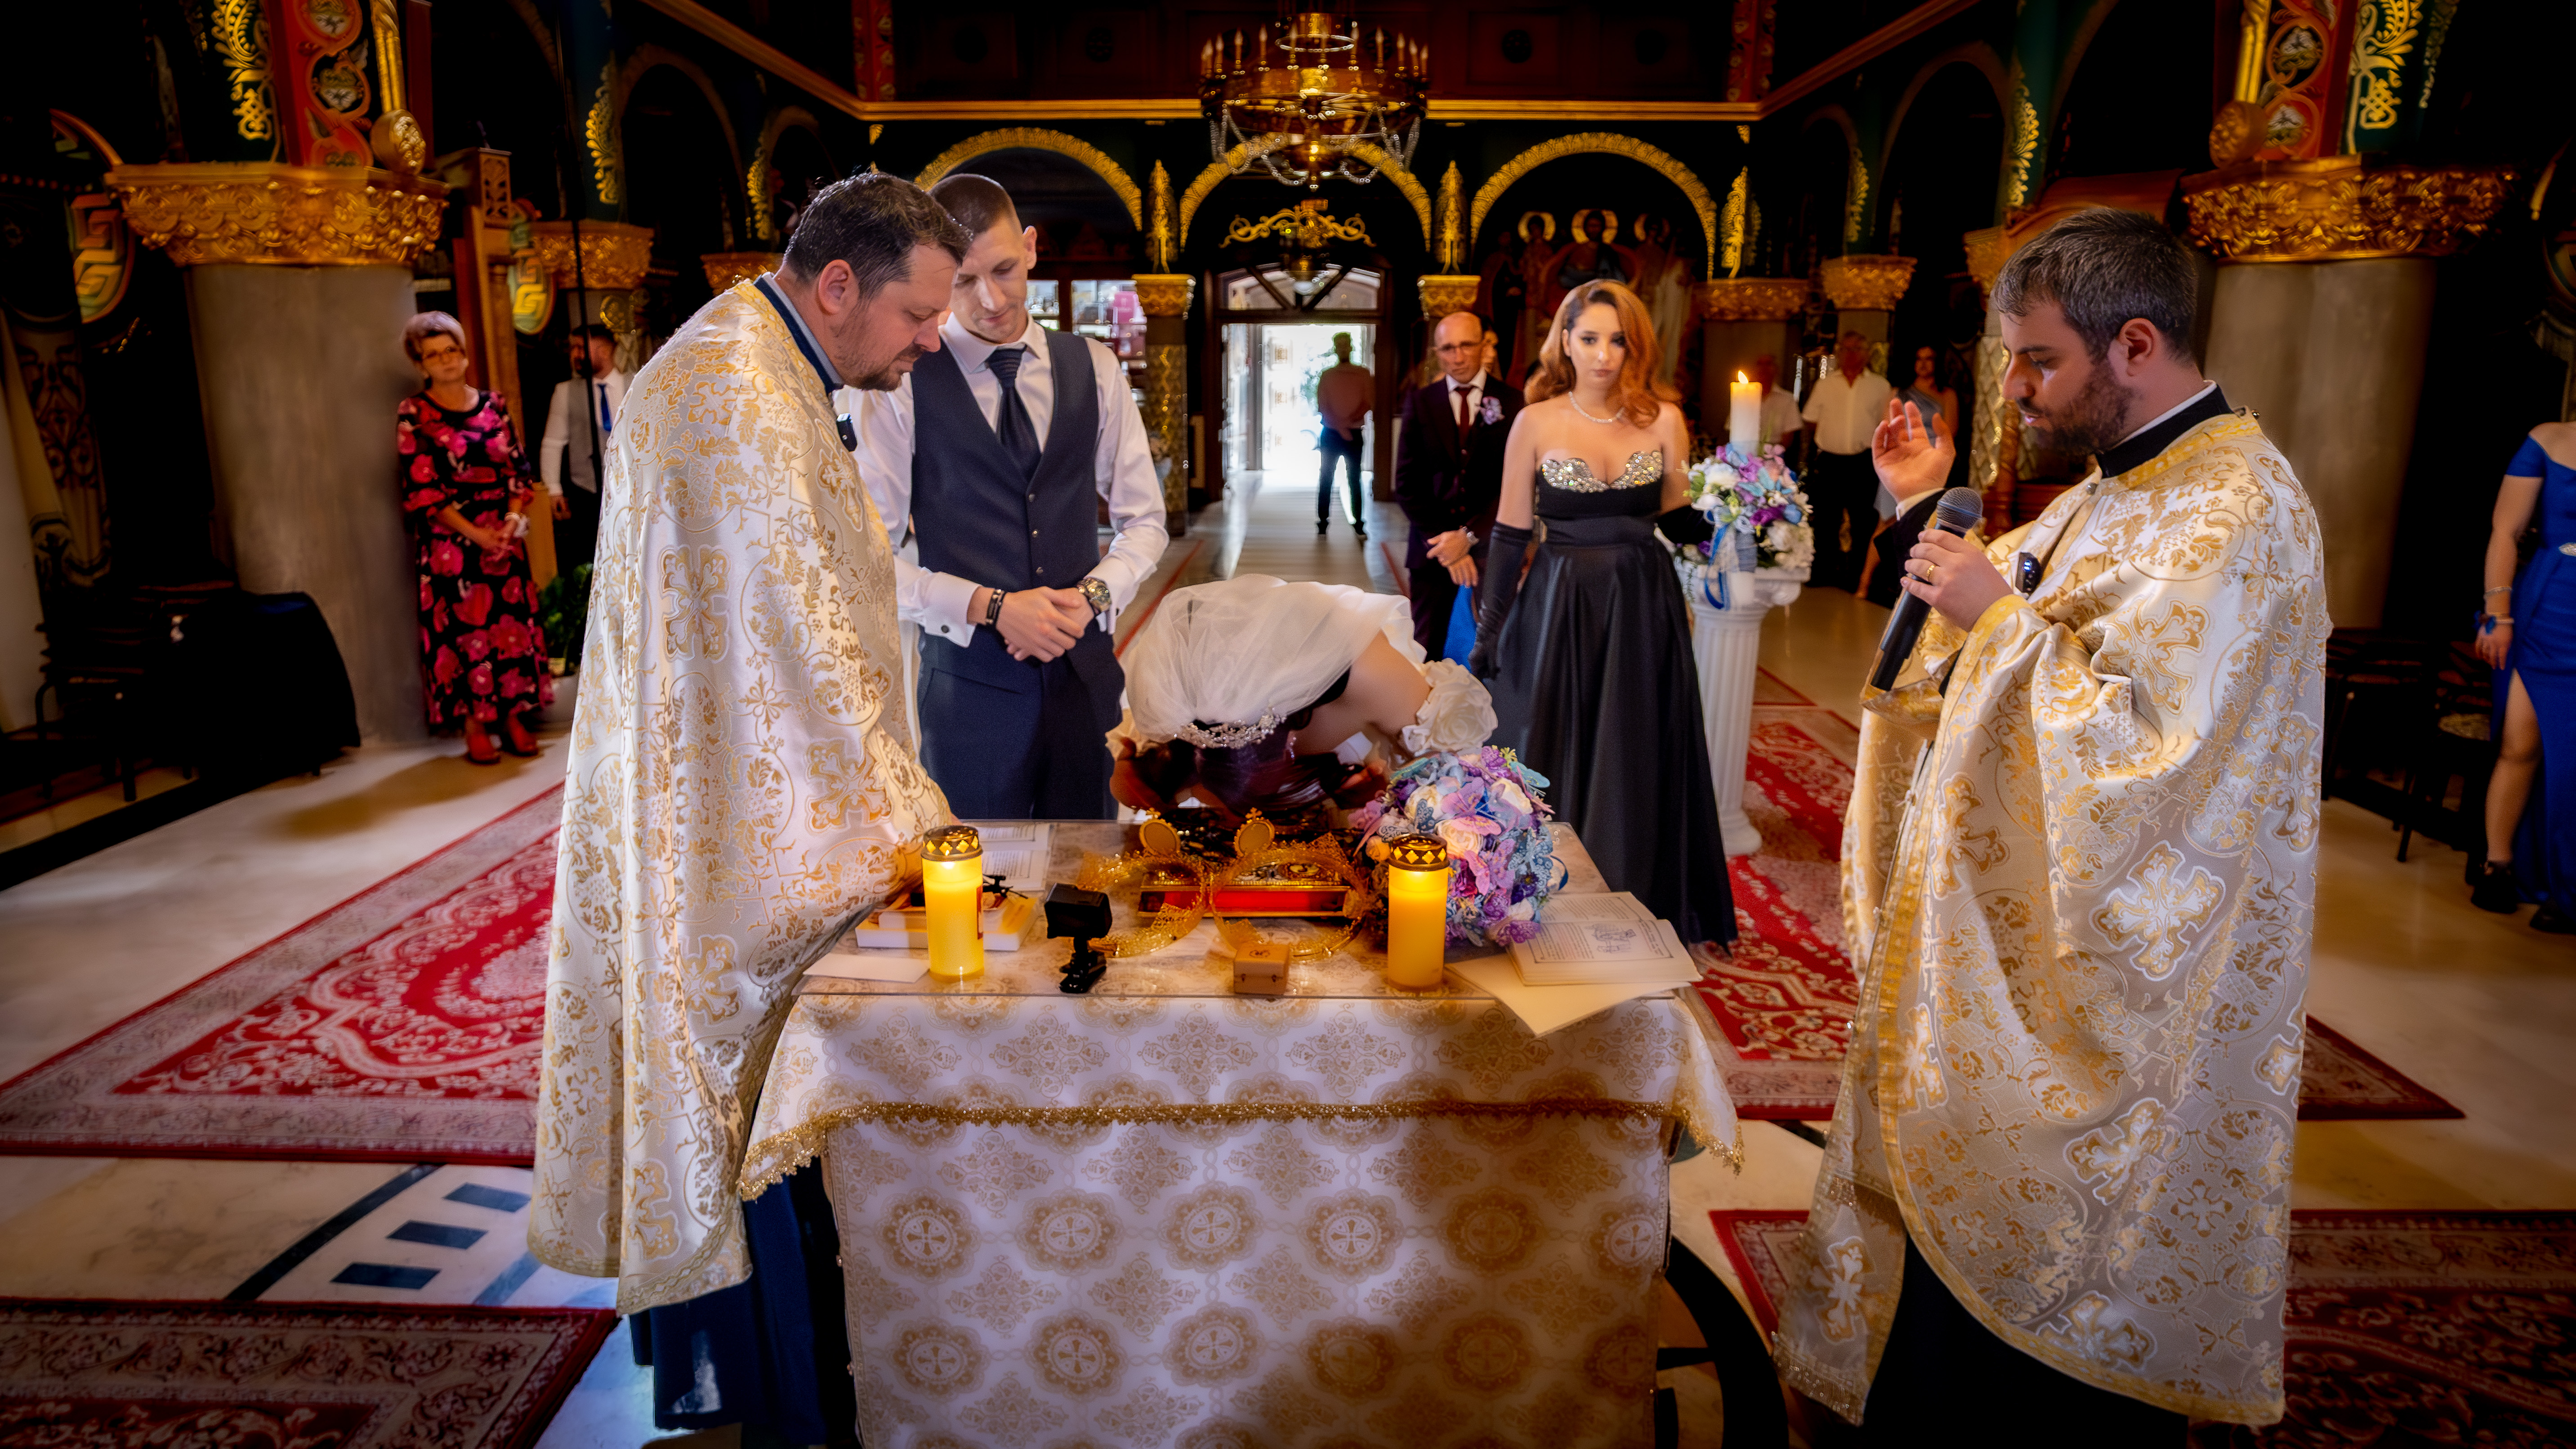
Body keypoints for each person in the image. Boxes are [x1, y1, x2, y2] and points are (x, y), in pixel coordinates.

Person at [1772, 208, 2328, 1441]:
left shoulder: (2236, 510)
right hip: (2008, 971)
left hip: (2113, 998)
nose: (2014, 390)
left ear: (2134, 344)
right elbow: (1992, 607)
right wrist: (1927, 512)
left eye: (2037, 361)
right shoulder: (2109, 491)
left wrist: (1996, 623)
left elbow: (2155, 764)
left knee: (2049, 1333)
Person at [531, 174, 969, 1440]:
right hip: (739, 846)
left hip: (727, 803)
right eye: (917, 315)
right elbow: (802, 656)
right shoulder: (740, 398)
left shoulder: (762, 363)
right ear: (837, 285)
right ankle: (787, 1395)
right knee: (764, 1120)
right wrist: (918, 826)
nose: (931, 341)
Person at [852, 173, 1167, 819]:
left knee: (1088, 866)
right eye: (962, 281)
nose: (990, 300)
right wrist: (990, 607)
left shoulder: (1095, 367)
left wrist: (1092, 597)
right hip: (969, 693)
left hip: (1083, 680)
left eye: (1002, 270)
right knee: (977, 869)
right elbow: (866, 557)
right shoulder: (901, 383)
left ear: (1029, 246)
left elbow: (1145, 522)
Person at [1469, 280, 1737, 948]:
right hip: (1560, 602)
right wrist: (1489, 628)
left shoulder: (1664, 419)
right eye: (1589, 338)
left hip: (1643, 604)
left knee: (1637, 746)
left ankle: (1641, 898)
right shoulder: (1535, 421)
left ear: (1634, 347)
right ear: (1565, 341)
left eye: (1617, 341)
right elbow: (1510, 533)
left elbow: (1677, 521)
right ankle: (1545, 904)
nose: (1603, 355)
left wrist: (1743, 513)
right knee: (1554, 741)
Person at [1109, 574, 1496, 825]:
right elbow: (1151, 766)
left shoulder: (1374, 677)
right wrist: (1138, 779)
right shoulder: (1181, 685)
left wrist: (1382, 800)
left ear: (1288, 728)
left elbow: (1456, 795)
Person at [396, 312, 550, 765]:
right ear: (421, 365)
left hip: (503, 539)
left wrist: (512, 521)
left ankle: (514, 717)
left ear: (464, 356)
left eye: (452, 350)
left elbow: (518, 469)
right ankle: (474, 724)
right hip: (453, 545)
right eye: (434, 355)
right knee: (465, 636)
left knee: (511, 631)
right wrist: (476, 534)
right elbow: (421, 487)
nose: (446, 360)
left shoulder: (494, 405)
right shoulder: (414, 413)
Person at [2471, 422, 2576, 931]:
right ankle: (2498, 863)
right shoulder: (2547, 439)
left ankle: (2568, 887)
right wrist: (2498, 615)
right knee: (2520, 744)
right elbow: (2504, 532)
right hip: (2548, 605)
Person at [1394, 311, 1524, 661]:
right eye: (1448, 348)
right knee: (1426, 649)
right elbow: (1406, 484)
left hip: (1491, 546)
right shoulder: (1421, 402)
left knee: (1494, 648)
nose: (1458, 357)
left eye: (1466, 345)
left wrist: (1468, 537)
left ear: (1484, 346)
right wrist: (1447, 543)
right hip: (1432, 547)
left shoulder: (1514, 403)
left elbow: (1514, 485)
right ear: (1437, 352)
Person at [1801, 330, 1895, 591]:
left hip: (1863, 463)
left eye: (1857, 349)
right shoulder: (1825, 384)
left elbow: (1886, 423)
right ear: (1839, 353)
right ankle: (1823, 573)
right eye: (1846, 349)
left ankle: (1857, 580)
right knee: (1825, 520)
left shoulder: (1880, 385)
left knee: (1863, 522)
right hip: (1830, 462)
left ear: (1867, 354)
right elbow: (1810, 420)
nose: (1851, 354)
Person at [539, 322, 625, 573]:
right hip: (586, 493)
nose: (575, 355)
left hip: (630, 488)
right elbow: (553, 443)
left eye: (581, 348)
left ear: (605, 351)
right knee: (591, 561)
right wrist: (554, 489)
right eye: (573, 348)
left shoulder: (635, 383)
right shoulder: (565, 391)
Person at [1315, 331, 1373, 536]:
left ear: (1351, 346)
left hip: (1353, 434)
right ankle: (1323, 520)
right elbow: (1323, 406)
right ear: (1335, 348)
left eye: (1345, 344)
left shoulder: (1363, 374)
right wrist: (1343, 427)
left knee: (1354, 478)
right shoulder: (1327, 375)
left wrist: (1345, 425)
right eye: (1339, 345)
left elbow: (1368, 402)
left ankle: (1358, 520)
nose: (1342, 348)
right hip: (1332, 433)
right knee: (1326, 477)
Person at [1753, 352, 1804, 450]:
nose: (1764, 368)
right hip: (1746, 451)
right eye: (1760, 364)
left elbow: (1788, 438)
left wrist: (1772, 454)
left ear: (1777, 369)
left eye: (1768, 364)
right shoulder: (1743, 398)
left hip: (1774, 452)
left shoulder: (1787, 399)